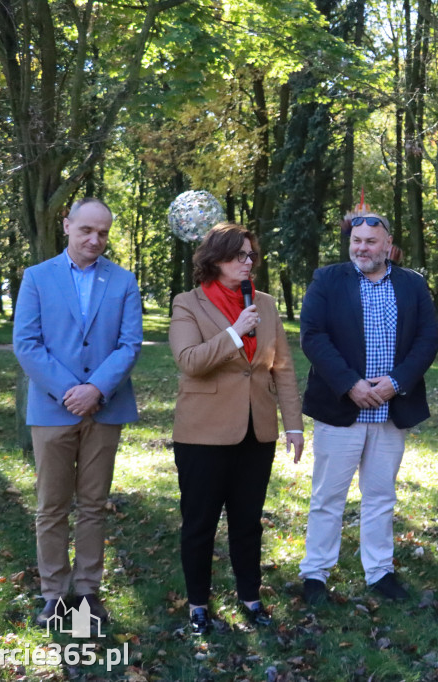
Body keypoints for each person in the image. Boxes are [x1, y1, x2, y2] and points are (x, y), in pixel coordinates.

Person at [169, 223, 305, 635]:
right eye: (239, 256)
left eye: (251, 256)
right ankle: (198, 605)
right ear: (215, 259)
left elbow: (281, 367)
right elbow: (190, 361)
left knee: (247, 522)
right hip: (202, 434)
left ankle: (251, 597)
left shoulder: (264, 303)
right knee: (200, 523)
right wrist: (234, 332)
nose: (248, 263)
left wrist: (294, 427)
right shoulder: (187, 303)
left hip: (256, 431)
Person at [298, 210, 438, 605]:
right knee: (328, 496)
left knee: (380, 496)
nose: (362, 247)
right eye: (356, 240)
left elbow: (428, 339)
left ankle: (379, 572)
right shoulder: (328, 279)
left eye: (370, 241)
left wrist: (396, 383)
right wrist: (350, 384)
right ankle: (315, 574)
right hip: (341, 408)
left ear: (387, 244)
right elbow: (313, 336)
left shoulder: (412, 284)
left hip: (391, 411)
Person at [13, 198, 142, 627]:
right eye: (86, 230)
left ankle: (87, 592)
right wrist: (72, 391)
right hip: (52, 410)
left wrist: (96, 390)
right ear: (67, 225)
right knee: (51, 506)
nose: (95, 240)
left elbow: (129, 345)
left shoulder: (122, 281)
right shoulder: (36, 277)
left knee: (92, 504)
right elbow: (27, 344)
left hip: (104, 410)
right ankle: (53, 593)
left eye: (103, 233)